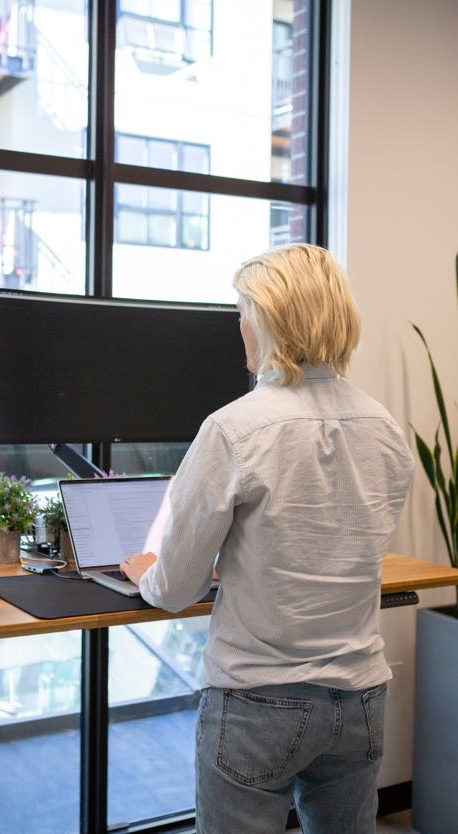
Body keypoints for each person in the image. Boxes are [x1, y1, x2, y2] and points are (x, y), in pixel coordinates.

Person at [119, 244, 414, 834]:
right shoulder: (386, 429)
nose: (239, 329)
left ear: (270, 320)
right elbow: (338, 544)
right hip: (360, 698)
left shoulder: (233, 428)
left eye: (242, 314)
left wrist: (145, 570)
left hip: (259, 703)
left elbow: (176, 589)